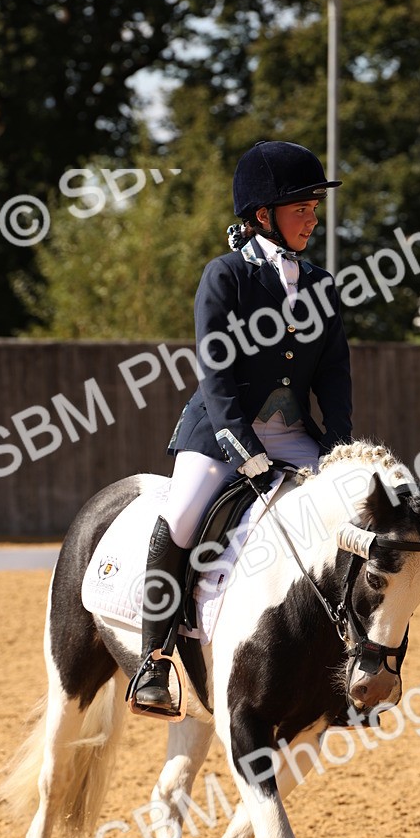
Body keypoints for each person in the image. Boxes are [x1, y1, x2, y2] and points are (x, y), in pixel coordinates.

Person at [129, 139, 353, 716]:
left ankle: (351, 661)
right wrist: (243, 447)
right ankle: (154, 660)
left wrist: (339, 446)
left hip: (291, 431)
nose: (312, 217)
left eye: (313, 207)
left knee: (348, 521)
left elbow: (333, 374)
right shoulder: (224, 276)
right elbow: (217, 373)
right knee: (180, 518)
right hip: (221, 432)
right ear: (263, 216)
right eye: (301, 207)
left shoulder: (321, 285)